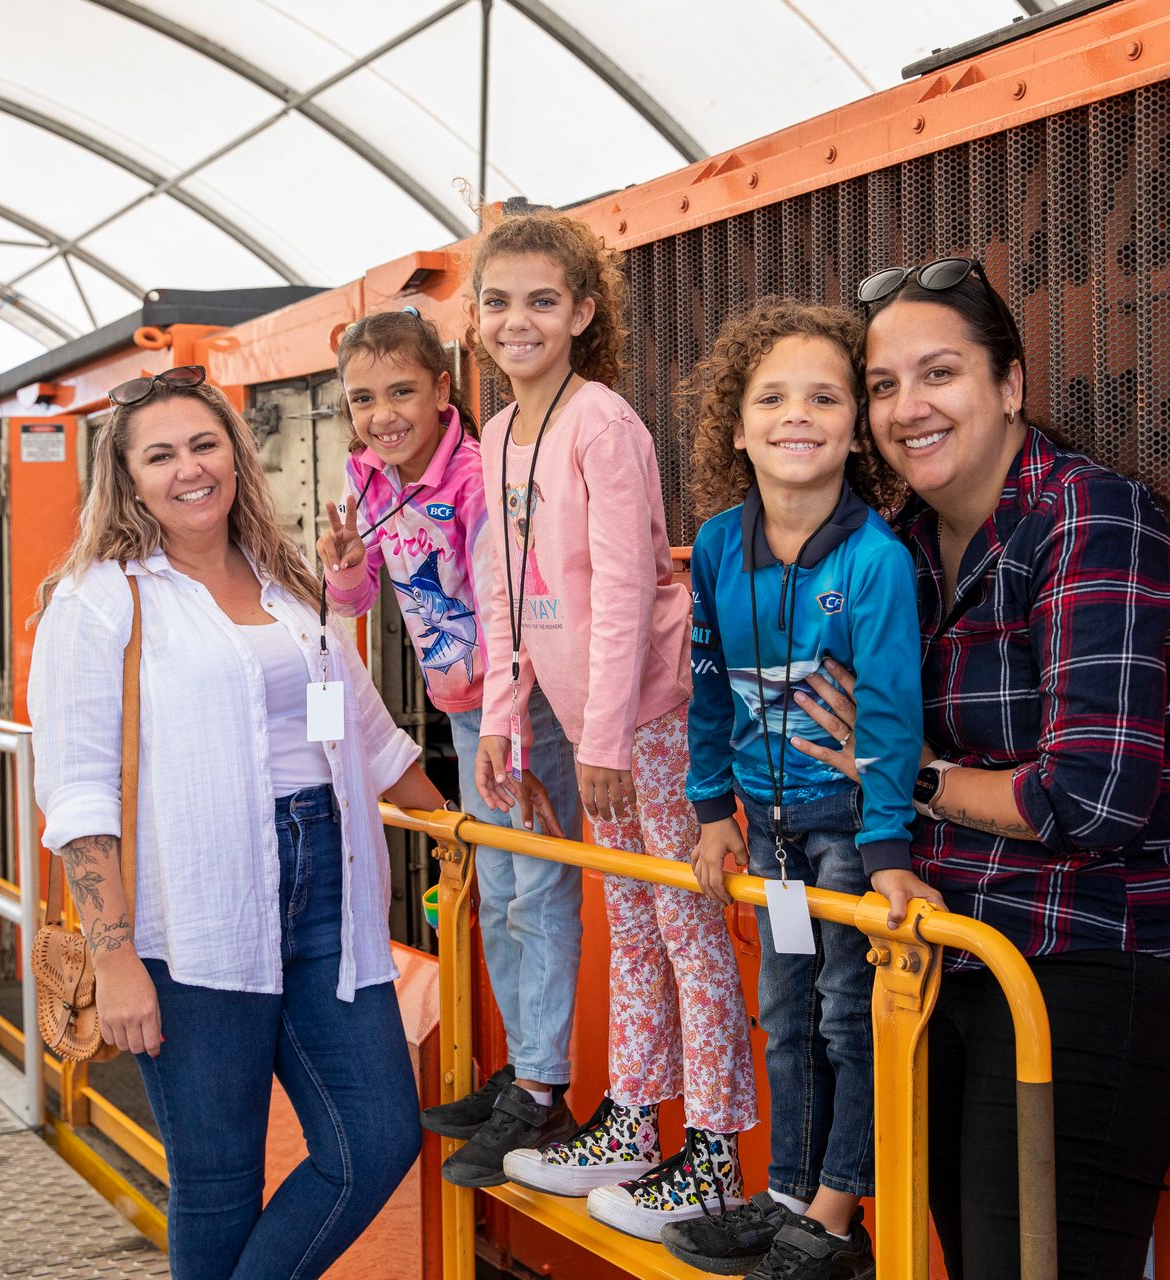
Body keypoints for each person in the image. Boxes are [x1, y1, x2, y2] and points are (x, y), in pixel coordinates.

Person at [794, 259, 1170, 1280]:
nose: (907, 406)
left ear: (1010, 385)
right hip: (955, 949)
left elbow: (1090, 798)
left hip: (1100, 952)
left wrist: (909, 775)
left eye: (939, 373)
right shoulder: (895, 549)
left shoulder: (1096, 522)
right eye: (881, 385)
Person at [28, 366, 444, 1280]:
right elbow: (80, 789)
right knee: (217, 1180)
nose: (189, 470)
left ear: (236, 454)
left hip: (326, 887)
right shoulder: (99, 598)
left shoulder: (284, 572)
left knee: (375, 1138)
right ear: (127, 478)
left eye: (204, 444)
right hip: (194, 912)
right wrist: (113, 954)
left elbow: (358, 719)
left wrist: (456, 827)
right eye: (161, 455)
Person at [466, 210, 758, 1240]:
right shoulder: (499, 436)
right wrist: (503, 716)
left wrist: (600, 738)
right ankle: (635, 1119)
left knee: (686, 924)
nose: (518, 320)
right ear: (475, 317)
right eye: (497, 300)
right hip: (591, 723)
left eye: (542, 299)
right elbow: (502, 591)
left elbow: (628, 585)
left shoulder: (603, 423)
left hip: (650, 718)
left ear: (584, 312)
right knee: (629, 925)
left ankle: (715, 1149)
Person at [670, 299, 926, 1280]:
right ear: (736, 425)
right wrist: (710, 811)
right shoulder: (720, 545)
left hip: (848, 834)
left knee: (843, 1009)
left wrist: (891, 847)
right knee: (784, 1006)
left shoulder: (873, 560)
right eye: (772, 396)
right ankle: (784, 1190)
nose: (798, 414)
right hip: (769, 839)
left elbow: (892, 716)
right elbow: (703, 684)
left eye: (825, 396)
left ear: (856, 426)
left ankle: (834, 1210)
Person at [312, 307, 585, 1179]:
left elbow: (513, 605)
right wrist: (346, 559)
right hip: (466, 710)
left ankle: (543, 1091)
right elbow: (354, 606)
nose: (382, 414)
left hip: (522, 709)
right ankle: (524, 1075)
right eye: (362, 399)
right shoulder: (368, 478)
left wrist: (504, 724)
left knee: (537, 889)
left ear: (442, 390)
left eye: (400, 391)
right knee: (499, 890)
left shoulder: (476, 479)